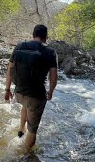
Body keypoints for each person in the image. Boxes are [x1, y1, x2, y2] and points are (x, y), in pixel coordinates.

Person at [4, 24, 58, 152]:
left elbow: (10, 69)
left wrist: (7, 90)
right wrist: (50, 92)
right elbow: (54, 77)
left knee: (25, 106)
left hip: (18, 93)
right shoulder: (50, 52)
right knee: (33, 131)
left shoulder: (20, 46)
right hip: (35, 96)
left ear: (33, 35)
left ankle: (21, 130)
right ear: (45, 37)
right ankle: (24, 157)